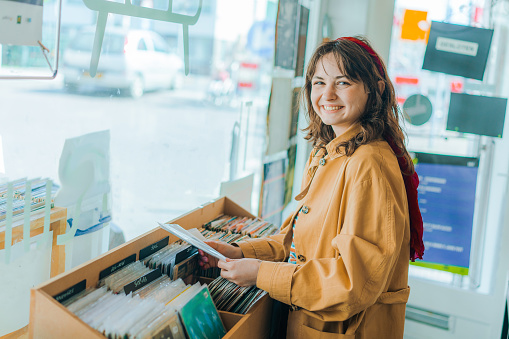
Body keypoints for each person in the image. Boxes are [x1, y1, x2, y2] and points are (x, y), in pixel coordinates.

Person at [198, 36, 425, 338]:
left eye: (343, 82)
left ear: (375, 89)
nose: (327, 94)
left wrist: (260, 274)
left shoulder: (368, 165)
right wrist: (239, 252)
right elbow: (298, 247)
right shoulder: (329, 151)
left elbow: (353, 283)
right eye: (319, 82)